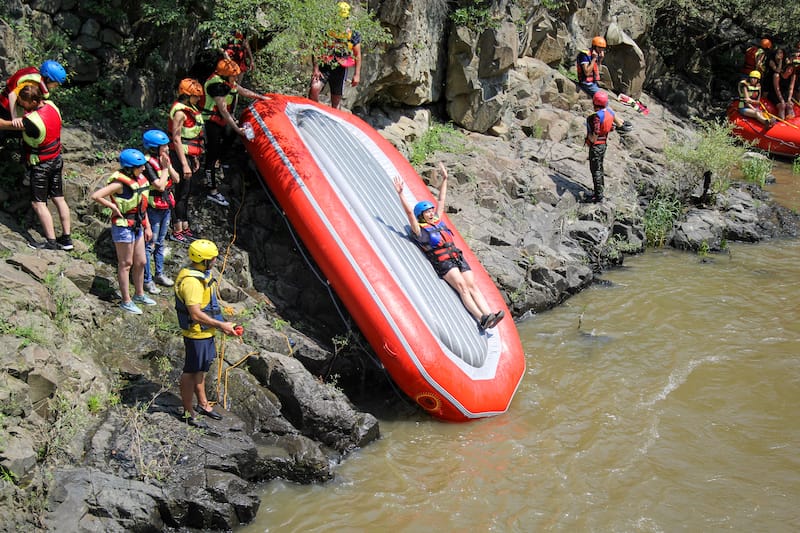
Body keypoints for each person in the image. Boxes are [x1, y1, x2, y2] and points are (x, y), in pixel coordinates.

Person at [393, 163, 505, 330]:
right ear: (421, 215)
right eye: (428, 212)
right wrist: (401, 194)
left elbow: (441, 199)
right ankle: (481, 318)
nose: (431, 212)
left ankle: (490, 315)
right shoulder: (420, 229)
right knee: (462, 287)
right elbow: (409, 213)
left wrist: (445, 179)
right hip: (443, 262)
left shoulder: (438, 220)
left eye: (431, 210)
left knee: (472, 286)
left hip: (457, 257)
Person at [175, 239, 238, 428]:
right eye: (213, 259)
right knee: (190, 371)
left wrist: (222, 323)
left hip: (206, 332)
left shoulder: (202, 274)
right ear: (203, 260)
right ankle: (188, 412)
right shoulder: (192, 283)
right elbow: (195, 314)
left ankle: (203, 404)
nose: (215, 261)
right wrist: (221, 325)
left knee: (201, 368)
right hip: (196, 334)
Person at [0, 84, 72, 250]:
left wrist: (14, 118)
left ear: (32, 101)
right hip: (56, 159)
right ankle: (67, 239)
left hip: (41, 165)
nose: (21, 104)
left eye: (23, 102)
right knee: (58, 198)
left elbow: (3, 124)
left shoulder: (30, 122)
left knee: (38, 203)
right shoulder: (52, 106)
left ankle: (51, 242)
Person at [90, 149, 156, 314]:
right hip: (123, 226)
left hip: (138, 225)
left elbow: (142, 206)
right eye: (139, 167)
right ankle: (126, 301)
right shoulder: (119, 183)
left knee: (141, 261)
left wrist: (147, 226)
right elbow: (96, 195)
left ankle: (139, 294)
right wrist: (112, 206)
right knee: (126, 264)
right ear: (129, 168)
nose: (143, 169)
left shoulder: (139, 180)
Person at [201, 58, 267, 207]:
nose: (236, 78)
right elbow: (223, 110)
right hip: (211, 122)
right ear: (225, 75)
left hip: (222, 121)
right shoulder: (216, 86)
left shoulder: (228, 81)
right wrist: (237, 128)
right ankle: (212, 191)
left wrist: (260, 97)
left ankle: (221, 160)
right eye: (234, 75)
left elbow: (240, 90)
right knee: (212, 153)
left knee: (230, 137)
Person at [168, 78, 205, 244]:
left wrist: (194, 158)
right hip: (178, 156)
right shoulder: (180, 113)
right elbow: (176, 139)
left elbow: (193, 136)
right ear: (186, 95)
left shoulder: (192, 109)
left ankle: (185, 226)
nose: (198, 99)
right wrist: (184, 164)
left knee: (186, 193)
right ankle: (177, 229)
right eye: (195, 96)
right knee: (179, 192)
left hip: (189, 156)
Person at [141, 129, 178, 294]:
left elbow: (176, 179)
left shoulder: (165, 160)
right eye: (164, 147)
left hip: (166, 207)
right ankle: (147, 280)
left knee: (161, 243)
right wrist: (164, 169)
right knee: (150, 245)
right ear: (154, 148)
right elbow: (160, 185)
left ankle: (159, 274)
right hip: (153, 209)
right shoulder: (147, 163)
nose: (167, 149)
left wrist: (168, 166)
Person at [308, 1, 362, 110]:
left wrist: (357, 75)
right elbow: (317, 48)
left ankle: (332, 121)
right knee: (315, 87)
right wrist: (316, 68)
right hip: (325, 64)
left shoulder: (353, 34)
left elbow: (357, 55)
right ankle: (314, 111)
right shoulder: (325, 29)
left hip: (340, 68)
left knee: (336, 100)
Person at [575, 35, 632, 133]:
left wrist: (599, 60)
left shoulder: (596, 55)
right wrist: (593, 59)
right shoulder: (584, 55)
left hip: (593, 82)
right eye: (599, 48)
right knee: (603, 102)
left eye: (602, 49)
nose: (601, 50)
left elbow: (598, 70)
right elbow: (587, 72)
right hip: (586, 83)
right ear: (594, 46)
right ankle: (618, 123)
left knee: (605, 101)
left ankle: (619, 121)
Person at [0, 60, 67, 121]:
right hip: (6, 107)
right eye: (55, 84)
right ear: (48, 79)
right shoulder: (32, 83)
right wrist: (14, 117)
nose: (55, 87)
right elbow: (12, 95)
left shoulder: (37, 80)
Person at [584, 91, 616, 203]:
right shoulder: (610, 112)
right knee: (600, 168)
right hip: (604, 144)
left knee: (595, 170)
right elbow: (612, 127)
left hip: (596, 146)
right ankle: (600, 190)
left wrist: (591, 139)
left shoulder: (597, 116)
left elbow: (596, 131)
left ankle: (598, 196)